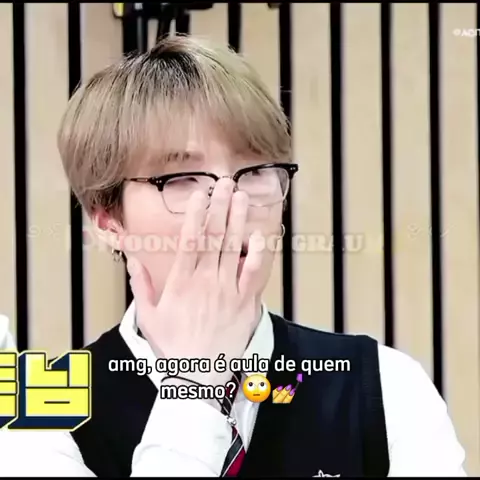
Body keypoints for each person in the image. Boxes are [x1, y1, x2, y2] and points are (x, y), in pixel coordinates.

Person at [0, 35, 466, 477]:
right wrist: (193, 382)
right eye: (181, 178)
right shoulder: (37, 411)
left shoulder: (382, 384)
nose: (231, 202)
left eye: (256, 170)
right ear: (107, 219)